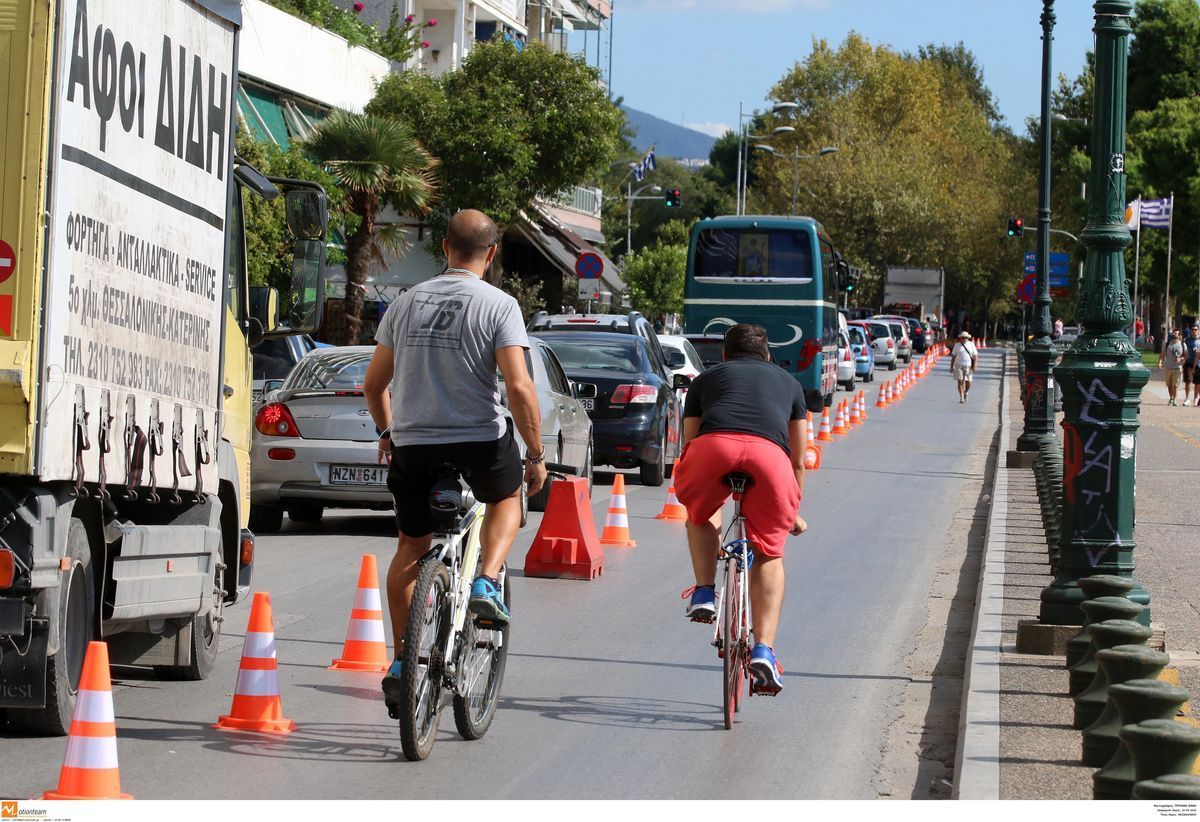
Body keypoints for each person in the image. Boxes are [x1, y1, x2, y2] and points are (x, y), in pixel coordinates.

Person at [363, 209, 547, 716]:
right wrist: (534, 455)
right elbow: (519, 387)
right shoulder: (501, 306)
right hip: (478, 441)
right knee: (507, 497)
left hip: (415, 446)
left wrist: (388, 432)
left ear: (445, 248)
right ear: (492, 253)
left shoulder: (403, 304)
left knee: (409, 551)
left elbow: (374, 385)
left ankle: (403, 659)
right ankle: (487, 578)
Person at [673, 324, 807, 695]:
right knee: (769, 554)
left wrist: (701, 492)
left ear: (726, 356)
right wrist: (791, 509)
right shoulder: (790, 385)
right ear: (767, 354)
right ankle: (763, 649)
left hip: (714, 448)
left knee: (699, 513)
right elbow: (798, 460)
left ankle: (703, 592)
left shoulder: (705, 380)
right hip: (770, 459)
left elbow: (690, 442)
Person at [950, 331, 978, 403]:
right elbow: (953, 356)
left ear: (968, 338)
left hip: (968, 365)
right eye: (962, 338)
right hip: (959, 365)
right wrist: (951, 366)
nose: (964, 339)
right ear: (960, 338)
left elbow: (975, 356)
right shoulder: (957, 345)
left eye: (965, 338)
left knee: (968, 382)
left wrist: (975, 366)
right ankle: (961, 397)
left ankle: (966, 392)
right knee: (960, 382)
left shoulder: (971, 344)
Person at [1160, 328, 1186, 406]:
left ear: (1179, 335)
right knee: (1169, 385)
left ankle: (1174, 399)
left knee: (1175, 385)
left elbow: (1186, 355)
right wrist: (1160, 362)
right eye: (1174, 333)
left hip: (1177, 368)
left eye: (1177, 333)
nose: (1175, 334)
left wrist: (1181, 359)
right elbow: (1162, 353)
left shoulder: (1182, 344)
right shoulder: (1167, 344)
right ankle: (1171, 398)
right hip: (1168, 367)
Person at [1183, 324, 1200, 406]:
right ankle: (1187, 398)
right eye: (1192, 329)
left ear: (1198, 330)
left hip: (1198, 364)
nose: (1194, 331)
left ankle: (1195, 399)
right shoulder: (1187, 340)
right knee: (1188, 382)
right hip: (1188, 363)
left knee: (1197, 383)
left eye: (1196, 329)